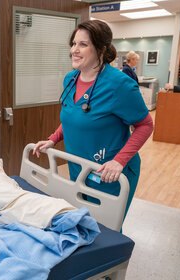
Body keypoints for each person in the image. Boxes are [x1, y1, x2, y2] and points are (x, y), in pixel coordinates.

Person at [33, 20, 154, 221]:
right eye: (73, 43)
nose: (74, 50)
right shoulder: (70, 79)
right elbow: (74, 117)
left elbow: (145, 125)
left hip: (110, 173)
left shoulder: (119, 85)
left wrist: (119, 161)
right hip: (79, 168)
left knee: (105, 231)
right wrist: (53, 139)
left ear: (101, 49)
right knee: (83, 222)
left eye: (83, 44)